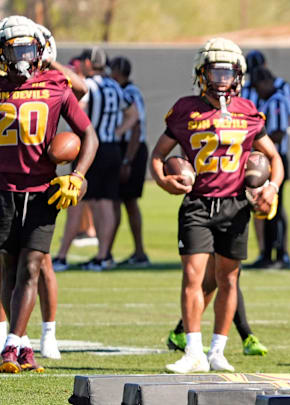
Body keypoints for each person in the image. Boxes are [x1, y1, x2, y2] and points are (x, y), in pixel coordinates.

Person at [151, 38, 282, 373]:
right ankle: (193, 350)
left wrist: (273, 187)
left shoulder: (249, 111)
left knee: (228, 279)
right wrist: (164, 181)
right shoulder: (185, 109)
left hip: (235, 205)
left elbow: (274, 158)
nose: (223, 77)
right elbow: (157, 155)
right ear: (202, 72)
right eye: (216, 69)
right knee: (192, 277)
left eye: (229, 70)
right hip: (197, 203)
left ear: (239, 74)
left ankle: (217, 351)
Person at [0, 15, 98, 373]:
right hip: (3, 189)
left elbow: (89, 135)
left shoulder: (57, 84)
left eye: (28, 47)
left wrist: (77, 175)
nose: (22, 56)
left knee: (31, 265)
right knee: (9, 266)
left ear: (41, 50)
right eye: (14, 49)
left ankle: (11, 345)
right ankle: (23, 343)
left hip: (43, 190)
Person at [53, 47, 138, 271]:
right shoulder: (115, 87)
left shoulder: (88, 86)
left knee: (76, 200)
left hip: (91, 148)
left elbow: (77, 109)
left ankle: (61, 256)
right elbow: (134, 115)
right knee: (106, 202)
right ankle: (103, 255)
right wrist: (117, 132)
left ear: (88, 64)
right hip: (112, 148)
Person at [245, 66, 290, 269]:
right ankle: (267, 254)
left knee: (276, 205)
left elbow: (278, 133)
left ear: (266, 83)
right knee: (264, 206)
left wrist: (255, 142)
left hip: (276, 158)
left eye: (259, 86)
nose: (257, 91)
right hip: (264, 159)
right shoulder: (264, 99)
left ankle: (281, 255)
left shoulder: (277, 100)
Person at [108, 56, 150, 267]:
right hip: (122, 148)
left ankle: (138, 251)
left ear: (118, 72)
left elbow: (137, 128)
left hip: (131, 150)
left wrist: (127, 160)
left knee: (128, 201)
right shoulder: (120, 90)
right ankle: (107, 250)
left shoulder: (130, 93)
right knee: (116, 201)